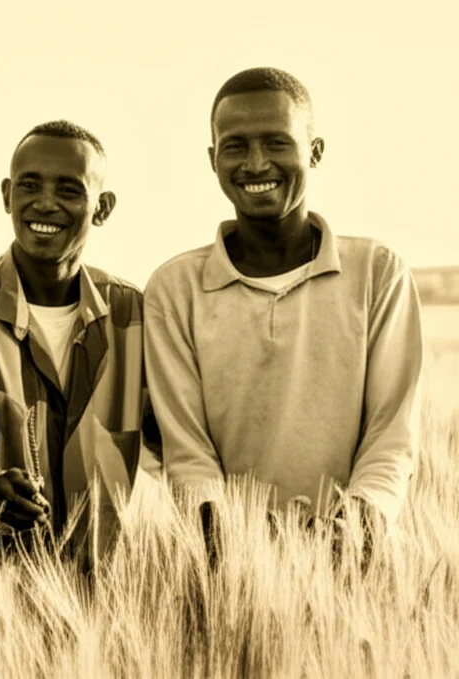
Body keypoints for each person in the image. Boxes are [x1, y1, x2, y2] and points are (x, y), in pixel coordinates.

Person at [143, 67, 424, 568]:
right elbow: (186, 451)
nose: (255, 164)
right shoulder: (174, 289)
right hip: (222, 565)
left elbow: (392, 435)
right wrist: (233, 547)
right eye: (235, 146)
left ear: (314, 151)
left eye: (277, 142)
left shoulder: (378, 273)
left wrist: (351, 534)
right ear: (213, 159)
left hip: (364, 564)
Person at [0, 120, 146, 566]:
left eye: (69, 190)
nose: (45, 204)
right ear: (7, 194)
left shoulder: (131, 315)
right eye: (29, 185)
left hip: (108, 592)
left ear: (102, 208)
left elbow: (175, 438)